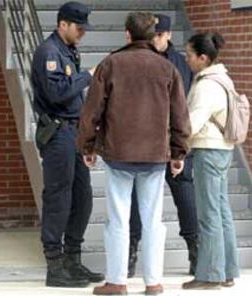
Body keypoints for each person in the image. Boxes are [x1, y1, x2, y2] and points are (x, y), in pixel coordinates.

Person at [77, 12, 191, 296]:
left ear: (127, 34)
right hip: (155, 156)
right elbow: (180, 115)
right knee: (153, 220)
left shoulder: (111, 64)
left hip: (118, 153)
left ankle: (117, 282)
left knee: (117, 218)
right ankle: (153, 282)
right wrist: (179, 152)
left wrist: (87, 146)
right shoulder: (167, 69)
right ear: (153, 35)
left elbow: (91, 111)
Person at [31, 1, 104, 287]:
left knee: (82, 199)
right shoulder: (48, 52)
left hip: (74, 133)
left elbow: (75, 99)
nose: (83, 32)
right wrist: (88, 75)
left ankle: (73, 261)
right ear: (63, 24)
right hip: (58, 133)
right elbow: (57, 93)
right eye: (79, 27)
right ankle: (55, 266)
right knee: (58, 198)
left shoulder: (68, 50)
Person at [127, 13, 198, 278]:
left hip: (172, 139)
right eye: (153, 34)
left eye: (160, 34)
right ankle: (131, 252)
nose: (156, 39)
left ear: (168, 35)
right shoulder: (140, 58)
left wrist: (178, 143)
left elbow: (179, 107)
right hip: (145, 142)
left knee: (184, 193)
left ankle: (195, 250)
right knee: (135, 194)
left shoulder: (179, 63)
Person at [182, 32, 239, 290]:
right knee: (222, 211)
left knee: (209, 214)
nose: (187, 59)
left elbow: (192, 123)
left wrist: (175, 141)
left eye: (190, 55)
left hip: (208, 150)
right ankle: (227, 271)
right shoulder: (223, 78)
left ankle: (210, 274)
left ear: (203, 58)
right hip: (222, 150)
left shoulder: (206, 85)